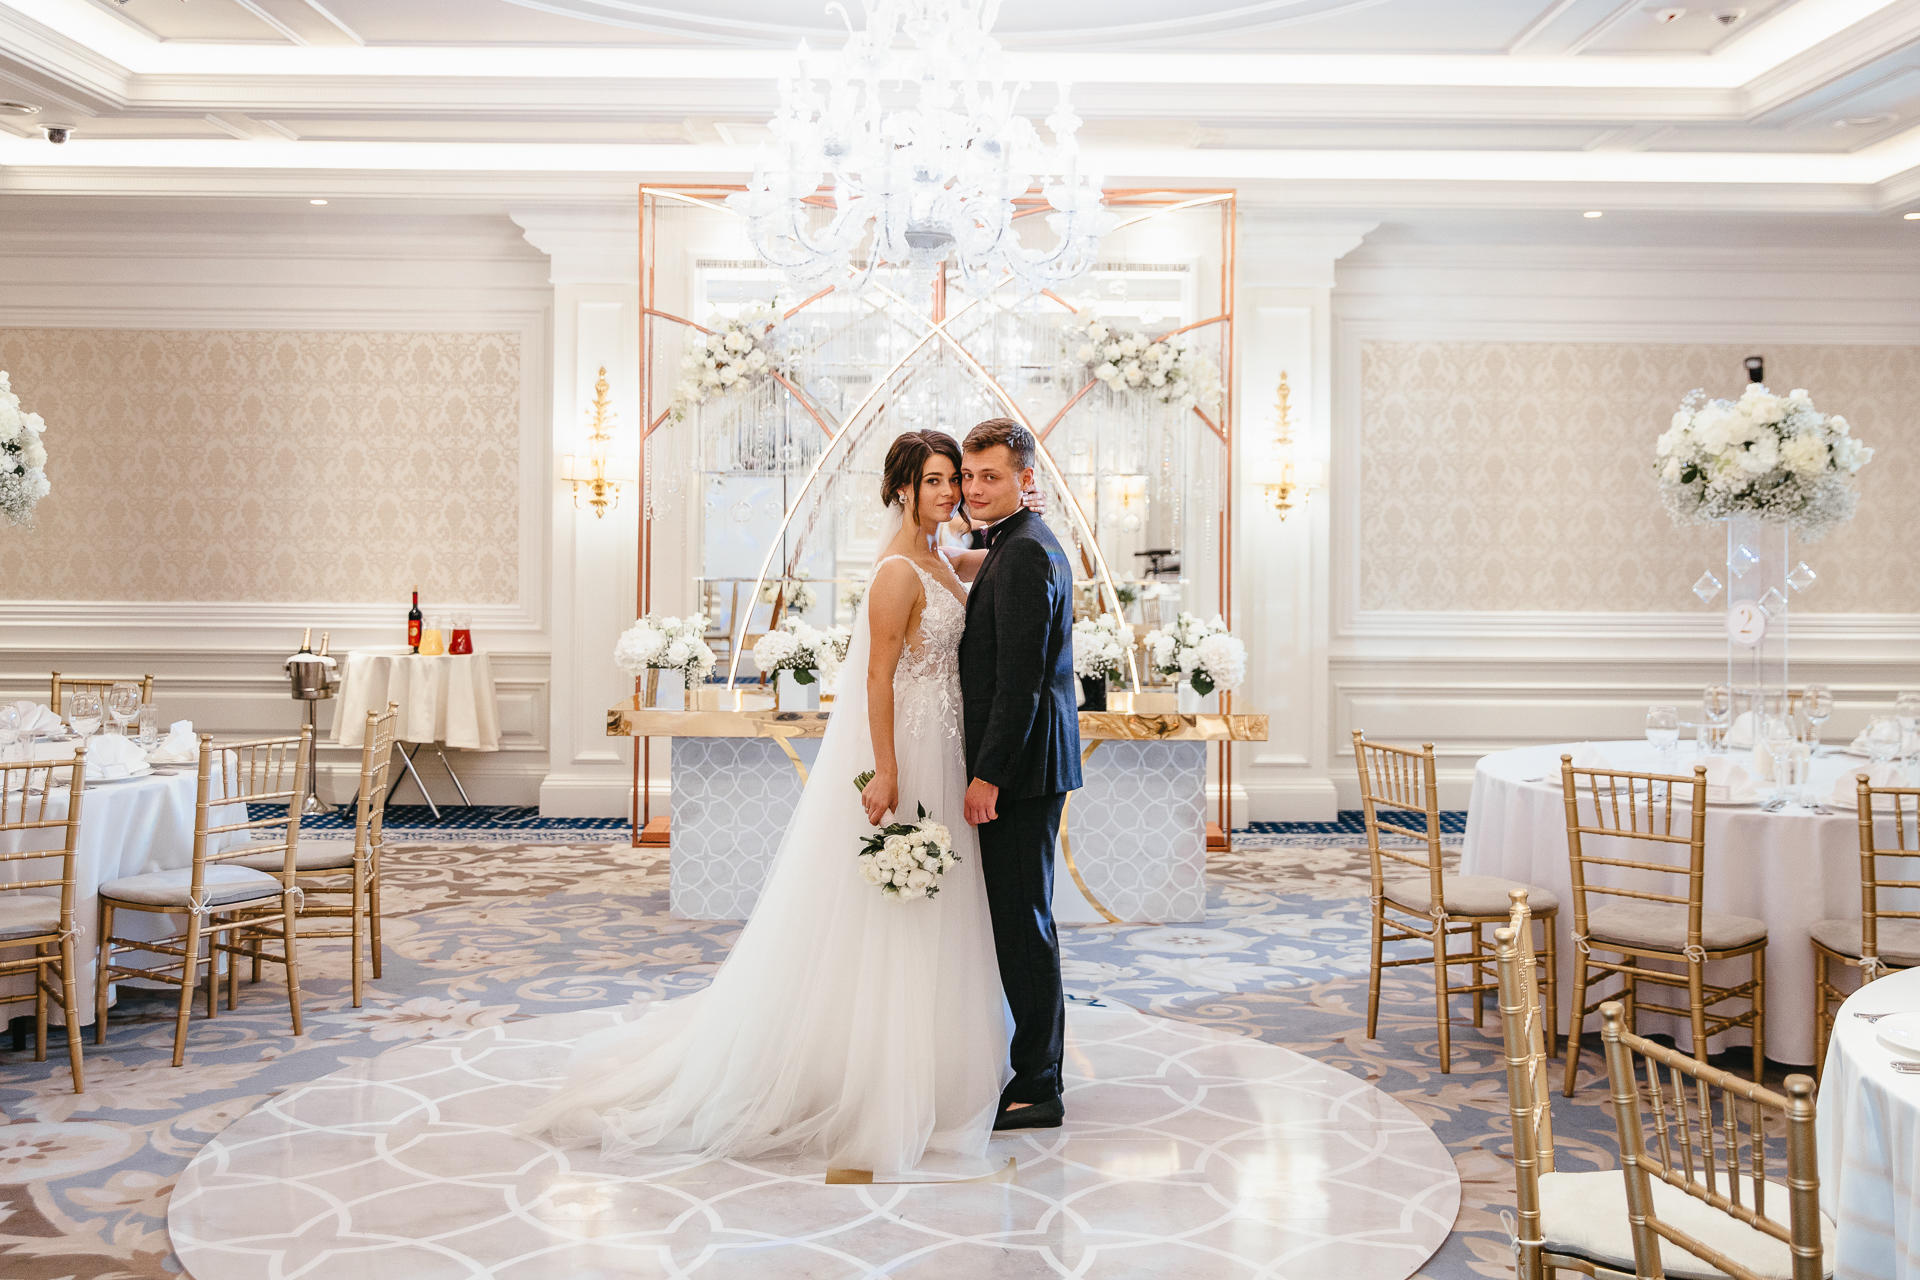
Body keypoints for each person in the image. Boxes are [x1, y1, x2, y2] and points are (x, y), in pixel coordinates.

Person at [523, 429, 1009, 1176]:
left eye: (955, 480)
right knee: (894, 902)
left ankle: (940, 1065)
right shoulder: (895, 572)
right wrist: (885, 770)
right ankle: (872, 1076)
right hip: (911, 748)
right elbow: (876, 678)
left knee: (938, 900)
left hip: (948, 745)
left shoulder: (944, 557)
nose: (950, 493)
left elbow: (992, 561)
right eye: (936, 481)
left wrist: (1017, 518)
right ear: (902, 490)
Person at [955, 417, 1083, 1131]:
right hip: (1030, 764)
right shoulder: (1015, 541)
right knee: (1022, 919)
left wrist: (989, 777)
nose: (974, 490)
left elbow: (1021, 683)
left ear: (1024, 479)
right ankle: (1035, 1068)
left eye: (990, 476)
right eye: (967, 476)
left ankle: (1040, 1084)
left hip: (1023, 771)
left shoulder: (1027, 551)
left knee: (1024, 924)